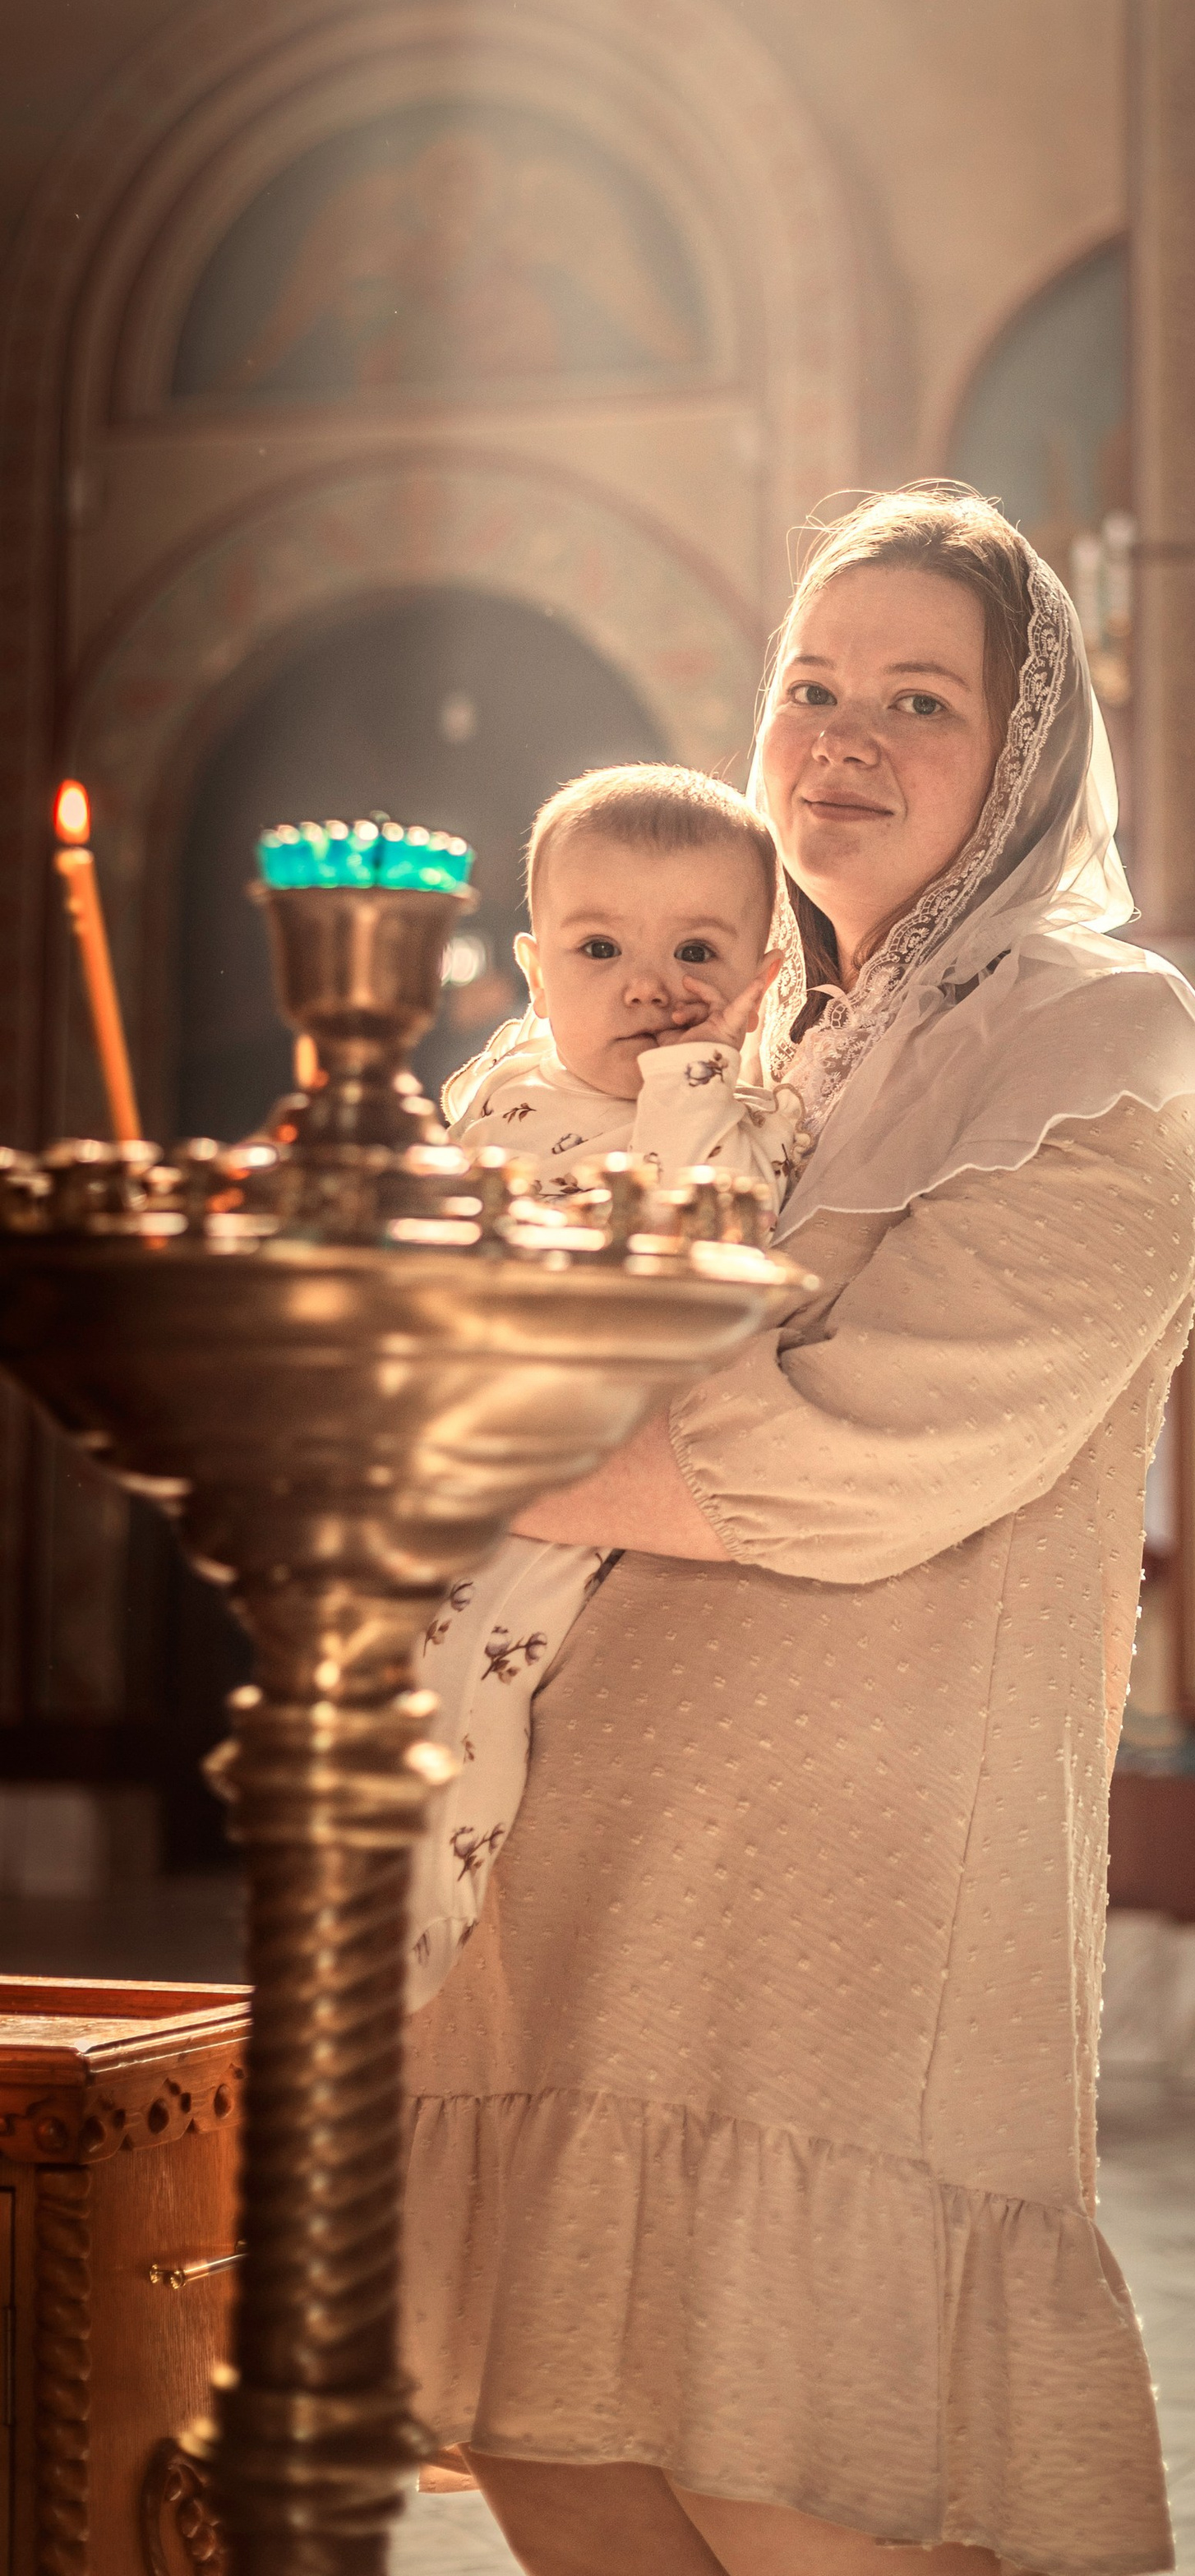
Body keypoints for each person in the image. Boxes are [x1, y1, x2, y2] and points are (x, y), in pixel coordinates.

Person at [401, 486, 1195, 2576]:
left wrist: (428, 1442)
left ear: (1025, 753)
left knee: (813, 2504)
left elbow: (852, 1449)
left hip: (837, 1964)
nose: (843, 737)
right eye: (809, 685)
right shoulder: (716, 1039)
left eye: (917, 699)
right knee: (562, 2463)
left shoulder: (1098, 1047)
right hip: (563, 1929)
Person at [404, 764, 792, 2013]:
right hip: (446, 1460)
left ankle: (421, 1989)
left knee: (471, 1724)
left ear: (764, 975)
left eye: (696, 948)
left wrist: (697, 1073)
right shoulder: (500, 1091)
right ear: (532, 971)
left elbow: (708, 1223)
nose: (651, 983)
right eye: (600, 946)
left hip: (580, 1485)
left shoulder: (735, 1114)